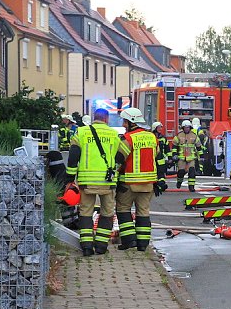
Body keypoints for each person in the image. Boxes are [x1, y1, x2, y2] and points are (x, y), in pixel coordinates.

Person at [65, 108, 130, 256]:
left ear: (94, 118)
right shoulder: (114, 135)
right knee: (107, 212)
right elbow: (121, 156)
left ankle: (87, 247)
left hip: (87, 181)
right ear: (106, 119)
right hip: (108, 182)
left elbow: (73, 156)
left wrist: (69, 178)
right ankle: (101, 246)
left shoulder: (81, 133)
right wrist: (115, 170)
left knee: (86, 212)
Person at [116, 108, 167, 251]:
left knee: (123, 209)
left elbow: (119, 161)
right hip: (148, 185)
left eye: (125, 121)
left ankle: (129, 241)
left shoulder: (128, 139)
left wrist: (113, 179)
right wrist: (161, 180)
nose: (123, 125)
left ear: (131, 122)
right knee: (143, 212)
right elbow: (159, 160)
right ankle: (143, 244)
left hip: (128, 184)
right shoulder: (152, 138)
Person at [172, 120, 200, 192]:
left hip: (191, 158)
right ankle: (179, 181)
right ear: (183, 128)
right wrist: (174, 154)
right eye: (185, 127)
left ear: (190, 127)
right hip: (181, 158)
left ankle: (191, 187)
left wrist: (202, 156)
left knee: (192, 172)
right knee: (181, 172)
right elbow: (174, 146)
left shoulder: (194, 136)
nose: (186, 129)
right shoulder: (179, 135)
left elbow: (199, 147)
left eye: (188, 127)